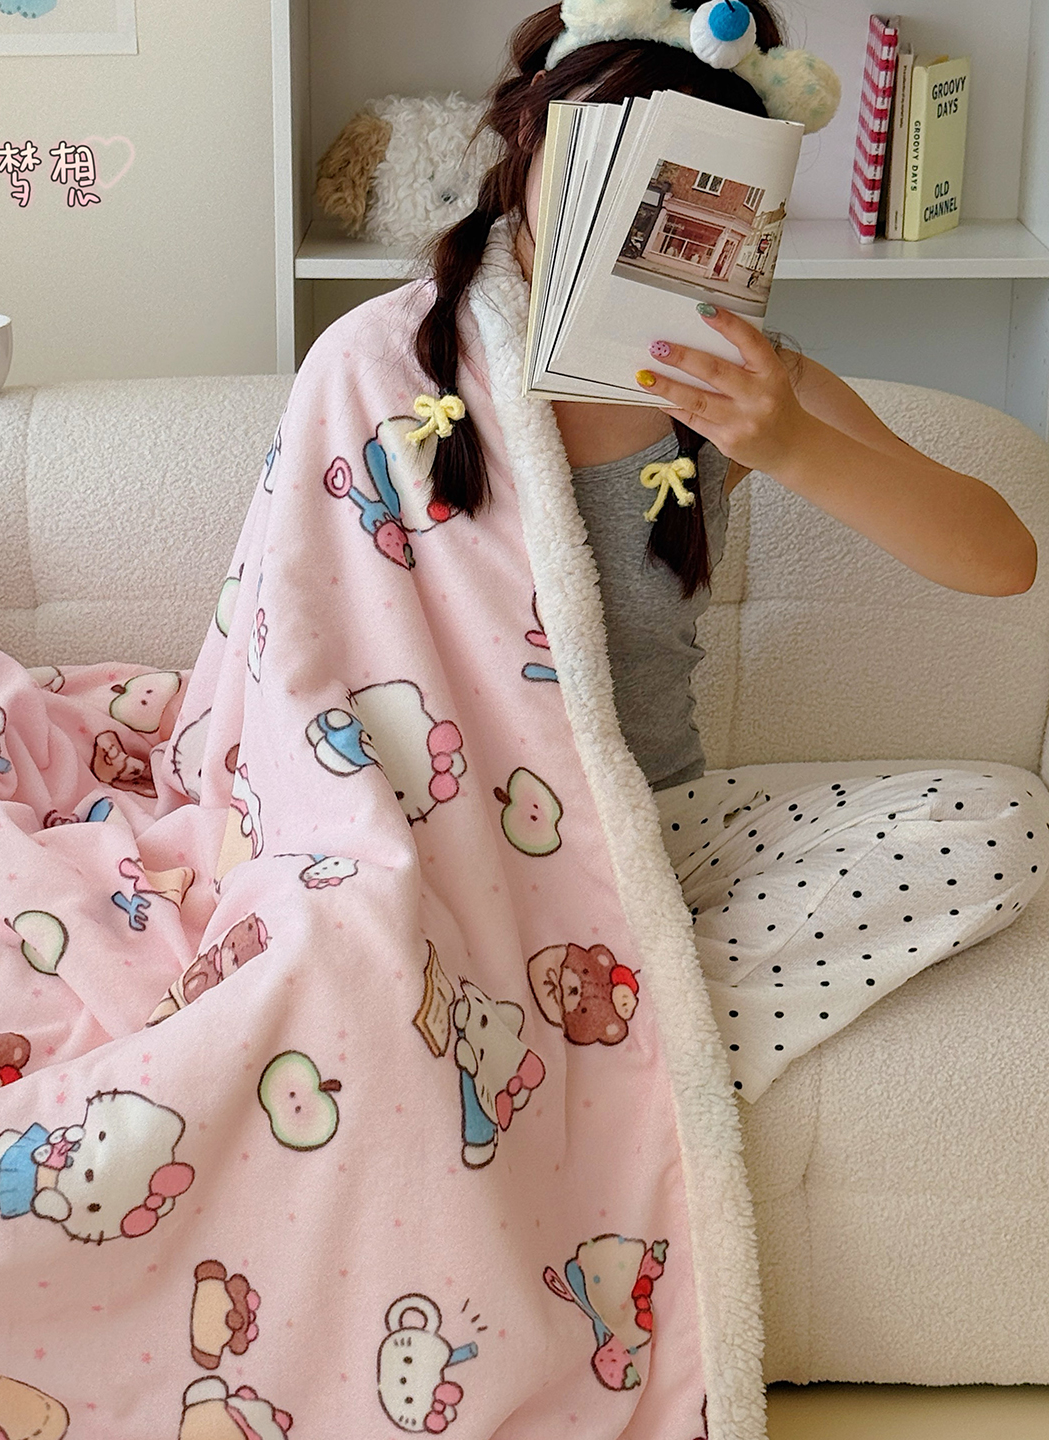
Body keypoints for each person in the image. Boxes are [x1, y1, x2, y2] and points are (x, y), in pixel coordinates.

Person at [406, 0, 1047, 1100]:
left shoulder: (744, 391)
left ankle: (611, 1041)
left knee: (1006, 825)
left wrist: (792, 445)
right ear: (527, 142)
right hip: (453, 843)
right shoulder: (394, 362)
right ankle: (577, 1021)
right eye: (598, 156)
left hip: (656, 832)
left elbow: (1002, 560)